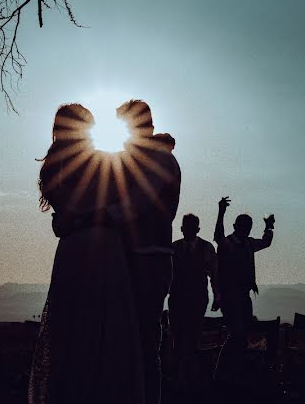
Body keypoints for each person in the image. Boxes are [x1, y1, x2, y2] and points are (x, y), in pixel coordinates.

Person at [29, 104, 144, 404]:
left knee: (72, 327)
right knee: (101, 325)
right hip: (101, 248)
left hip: (73, 248)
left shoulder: (53, 165)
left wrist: (74, 220)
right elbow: (123, 207)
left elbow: (67, 214)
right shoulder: (99, 162)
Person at [116, 100, 182, 404]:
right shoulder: (137, 159)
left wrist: (91, 216)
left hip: (151, 258)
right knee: (129, 343)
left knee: (144, 343)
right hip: (134, 257)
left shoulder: (161, 161)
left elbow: (137, 204)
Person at [212, 195, 275, 376]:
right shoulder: (228, 244)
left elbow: (266, 241)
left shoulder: (248, 243)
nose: (246, 230)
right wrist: (221, 212)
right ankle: (222, 372)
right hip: (230, 296)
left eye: (248, 227)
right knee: (237, 335)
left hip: (243, 296)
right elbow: (218, 235)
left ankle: (230, 371)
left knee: (242, 334)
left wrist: (269, 226)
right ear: (236, 227)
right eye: (244, 227)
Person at [169, 213, 220, 381]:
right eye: (186, 227)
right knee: (178, 336)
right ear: (182, 228)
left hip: (196, 299)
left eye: (191, 227)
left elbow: (214, 274)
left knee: (192, 336)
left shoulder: (206, 248)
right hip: (177, 297)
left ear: (196, 229)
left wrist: (217, 296)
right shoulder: (173, 248)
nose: (188, 230)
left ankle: (187, 376)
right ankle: (180, 375)